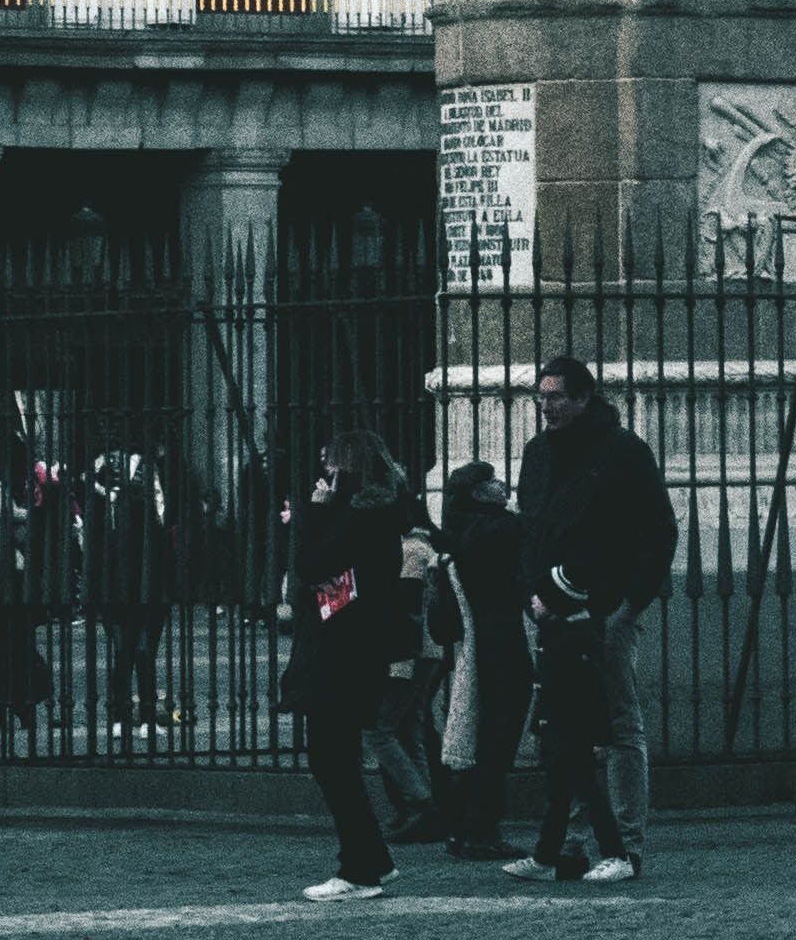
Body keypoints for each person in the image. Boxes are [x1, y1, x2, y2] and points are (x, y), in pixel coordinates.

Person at [512, 354, 670, 881]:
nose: (545, 406)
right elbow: (530, 529)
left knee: (619, 722)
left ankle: (626, 844)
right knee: (567, 728)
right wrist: (535, 595)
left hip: (608, 606)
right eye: (541, 396)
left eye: (555, 396)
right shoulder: (538, 454)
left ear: (583, 399)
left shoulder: (623, 451)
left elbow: (656, 530)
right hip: (552, 608)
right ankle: (572, 843)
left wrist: (630, 605)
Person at [285, 432, 420, 901]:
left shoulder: (359, 515)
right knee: (335, 759)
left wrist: (314, 511)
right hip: (351, 647)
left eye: (328, 465)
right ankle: (372, 859)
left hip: (341, 651)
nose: (322, 476)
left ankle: (361, 866)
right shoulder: (375, 514)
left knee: (332, 761)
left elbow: (310, 562)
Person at [421, 460, 533, 858]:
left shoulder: (457, 533)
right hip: (501, 639)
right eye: (489, 481)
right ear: (475, 492)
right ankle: (481, 828)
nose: (500, 485)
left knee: (474, 736)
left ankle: (463, 825)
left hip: (474, 641)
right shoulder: (500, 529)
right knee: (497, 736)